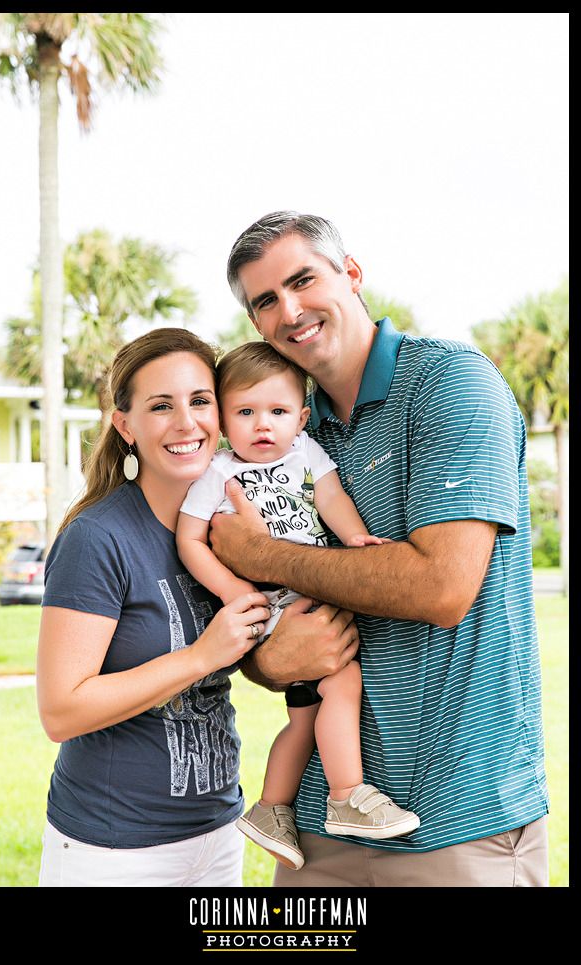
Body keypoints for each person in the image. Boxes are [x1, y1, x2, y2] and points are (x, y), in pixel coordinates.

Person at [207, 211, 550, 888]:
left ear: (352, 273)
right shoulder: (285, 432)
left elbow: (441, 587)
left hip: (459, 823)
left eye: (303, 279)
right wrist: (269, 660)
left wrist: (264, 553)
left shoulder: (451, 385)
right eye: (265, 301)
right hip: (318, 831)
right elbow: (260, 619)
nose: (291, 310)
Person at [36, 325, 359, 888]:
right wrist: (201, 655)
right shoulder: (99, 538)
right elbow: (61, 712)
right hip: (115, 847)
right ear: (126, 426)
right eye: (161, 406)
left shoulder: (223, 533)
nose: (187, 422)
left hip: (216, 830)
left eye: (201, 400)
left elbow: (253, 649)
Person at [176, 340, 420, 870]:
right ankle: (346, 794)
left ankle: (271, 808)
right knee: (342, 681)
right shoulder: (217, 472)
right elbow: (189, 539)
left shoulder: (306, 452)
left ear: (302, 417)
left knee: (306, 716)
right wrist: (232, 590)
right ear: (222, 420)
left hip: (310, 595)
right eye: (245, 412)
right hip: (270, 611)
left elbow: (331, 498)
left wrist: (355, 539)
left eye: (278, 412)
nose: (263, 425)